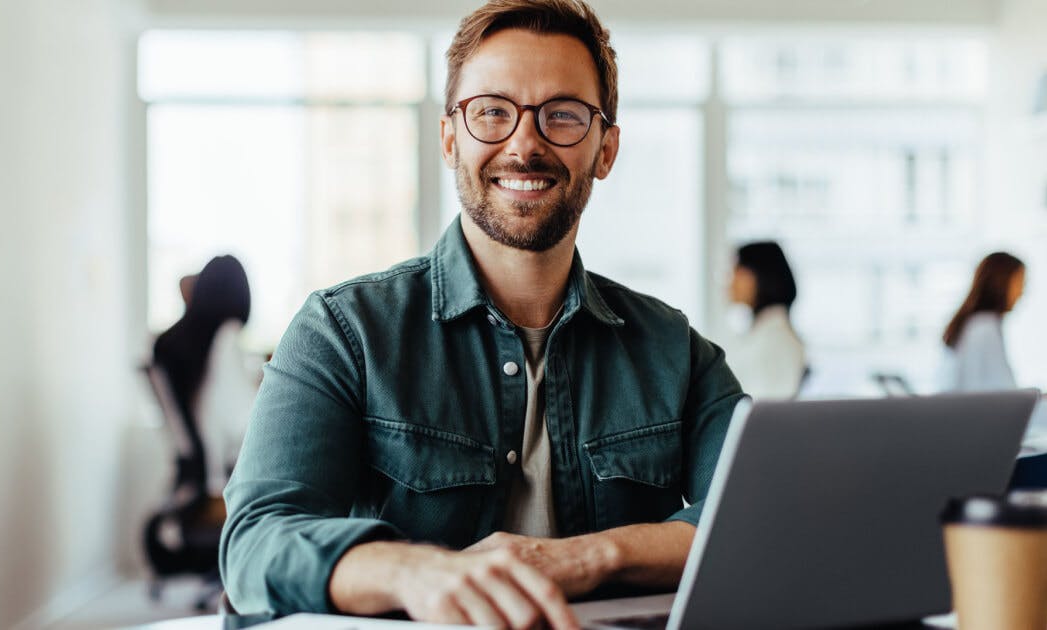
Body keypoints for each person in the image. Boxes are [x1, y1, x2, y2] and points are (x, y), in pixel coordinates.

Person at [219, 2, 744, 627]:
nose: (525, 144)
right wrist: (419, 571)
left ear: (605, 149)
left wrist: (588, 557)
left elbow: (756, 517)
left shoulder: (676, 350)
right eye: (492, 111)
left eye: (563, 115)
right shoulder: (343, 331)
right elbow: (255, 542)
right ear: (449, 138)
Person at [940, 251, 1047, 434]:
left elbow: (1002, 398)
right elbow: (1006, 409)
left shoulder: (975, 326)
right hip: (985, 445)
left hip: (974, 440)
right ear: (1002, 282)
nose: (1022, 292)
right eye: (1020, 282)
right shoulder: (984, 330)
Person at [153, 254, 255, 497]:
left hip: (192, 480)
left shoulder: (172, 344)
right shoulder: (226, 337)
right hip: (222, 483)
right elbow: (241, 423)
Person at [723, 241, 806, 400]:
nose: (730, 281)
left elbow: (763, 409)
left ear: (759, 275)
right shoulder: (763, 331)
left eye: (737, 271)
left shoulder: (777, 339)